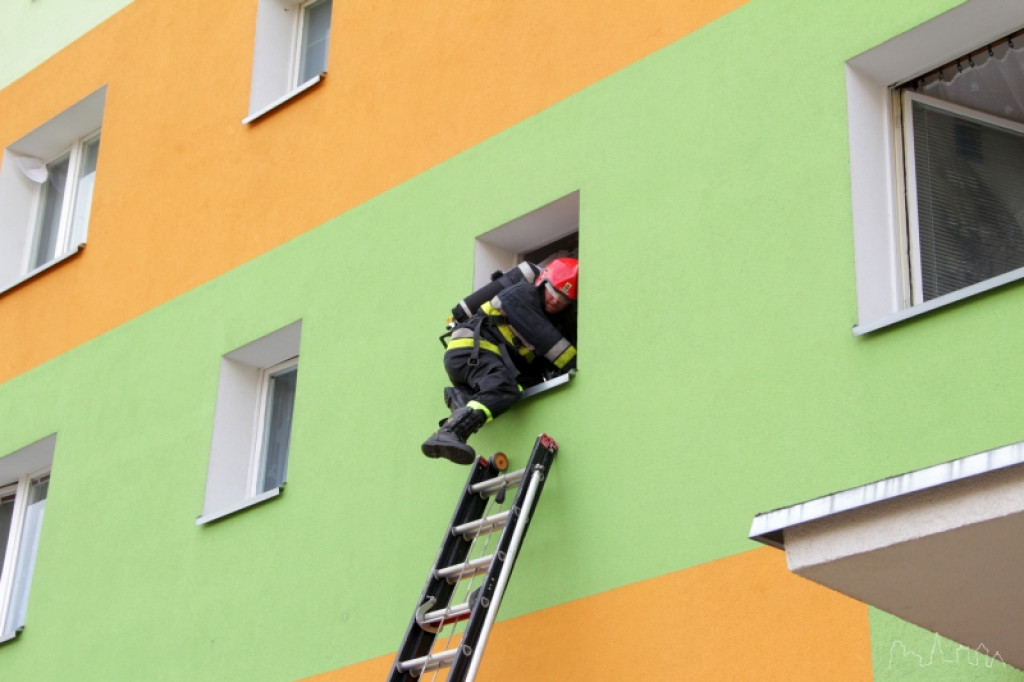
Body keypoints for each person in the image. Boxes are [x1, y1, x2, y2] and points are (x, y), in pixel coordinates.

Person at [422, 257, 578, 464]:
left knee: (520, 388)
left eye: (564, 299)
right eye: (554, 291)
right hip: (470, 352)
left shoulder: (551, 321)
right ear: (542, 281)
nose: (556, 300)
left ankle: (463, 400)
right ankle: (450, 432)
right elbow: (554, 348)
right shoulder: (520, 295)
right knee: (504, 387)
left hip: (483, 360)